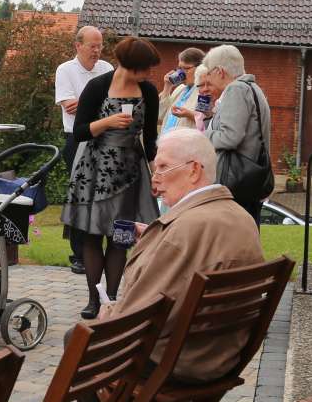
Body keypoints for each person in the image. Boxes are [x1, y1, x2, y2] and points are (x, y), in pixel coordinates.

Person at [81, 128, 263, 402]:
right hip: (220, 355)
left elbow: (134, 319)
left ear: (194, 170)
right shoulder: (239, 216)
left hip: (180, 364)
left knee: (83, 341)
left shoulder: (185, 230)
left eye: (164, 168)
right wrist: (155, 239)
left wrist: (107, 312)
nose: (155, 180)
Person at [63, 36, 161, 319]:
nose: (149, 74)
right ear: (130, 66)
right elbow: (79, 131)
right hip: (95, 169)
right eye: (145, 68)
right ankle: (94, 299)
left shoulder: (149, 91)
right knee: (93, 237)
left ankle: (113, 298)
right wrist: (107, 122)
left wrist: (157, 173)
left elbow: (151, 139)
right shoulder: (98, 86)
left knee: (120, 237)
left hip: (131, 171)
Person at [54, 26, 112, 275]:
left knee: (104, 197)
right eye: (92, 45)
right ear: (78, 46)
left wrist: (89, 104)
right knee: (79, 198)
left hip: (105, 139)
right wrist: (100, 106)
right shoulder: (66, 70)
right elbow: (70, 107)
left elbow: (115, 105)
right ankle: (78, 254)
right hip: (77, 140)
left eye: (100, 45)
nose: (97, 51)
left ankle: (101, 251)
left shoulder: (108, 69)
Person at [200, 44, 275, 224]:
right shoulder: (253, 88)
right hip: (250, 178)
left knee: (231, 236)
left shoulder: (236, 89)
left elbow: (229, 137)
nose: (208, 77)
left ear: (220, 71)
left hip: (236, 180)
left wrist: (202, 136)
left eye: (209, 72)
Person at [159, 47, 205, 136]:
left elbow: (208, 121)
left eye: (186, 69)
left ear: (200, 68)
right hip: (167, 143)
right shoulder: (180, 89)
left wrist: (189, 115)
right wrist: (167, 87)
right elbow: (160, 115)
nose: (181, 73)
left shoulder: (205, 91)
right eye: (180, 68)